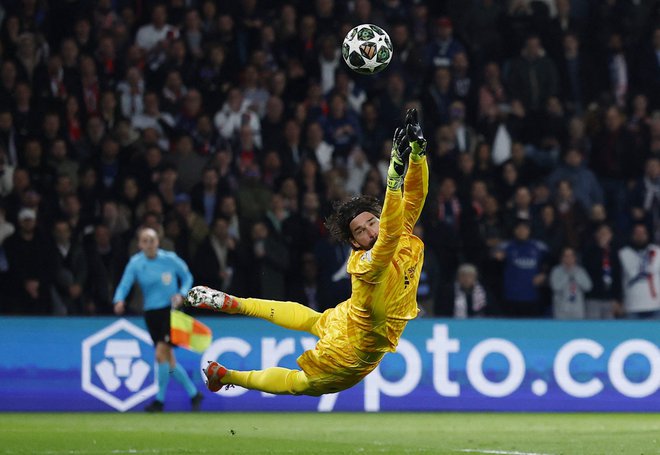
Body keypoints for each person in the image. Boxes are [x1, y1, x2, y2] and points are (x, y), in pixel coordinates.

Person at [186, 109, 429, 396]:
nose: (371, 232)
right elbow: (387, 237)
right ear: (354, 244)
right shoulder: (368, 264)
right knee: (301, 383)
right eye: (361, 231)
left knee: (314, 320)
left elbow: (414, 197)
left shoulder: (397, 231)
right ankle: (232, 376)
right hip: (355, 350)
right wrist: (392, 177)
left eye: (371, 222)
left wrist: (417, 153)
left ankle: (234, 303)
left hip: (348, 317)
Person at [113, 227, 203, 411]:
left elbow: (187, 277)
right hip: (150, 313)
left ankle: (159, 400)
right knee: (168, 359)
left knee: (160, 353)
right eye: (144, 241)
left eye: (152, 240)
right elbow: (125, 283)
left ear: (158, 242)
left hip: (170, 313)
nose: (149, 244)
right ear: (139, 244)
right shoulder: (136, 263)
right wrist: (119, 299)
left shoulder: (169, 259)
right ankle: (194, 394)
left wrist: (181, 294)